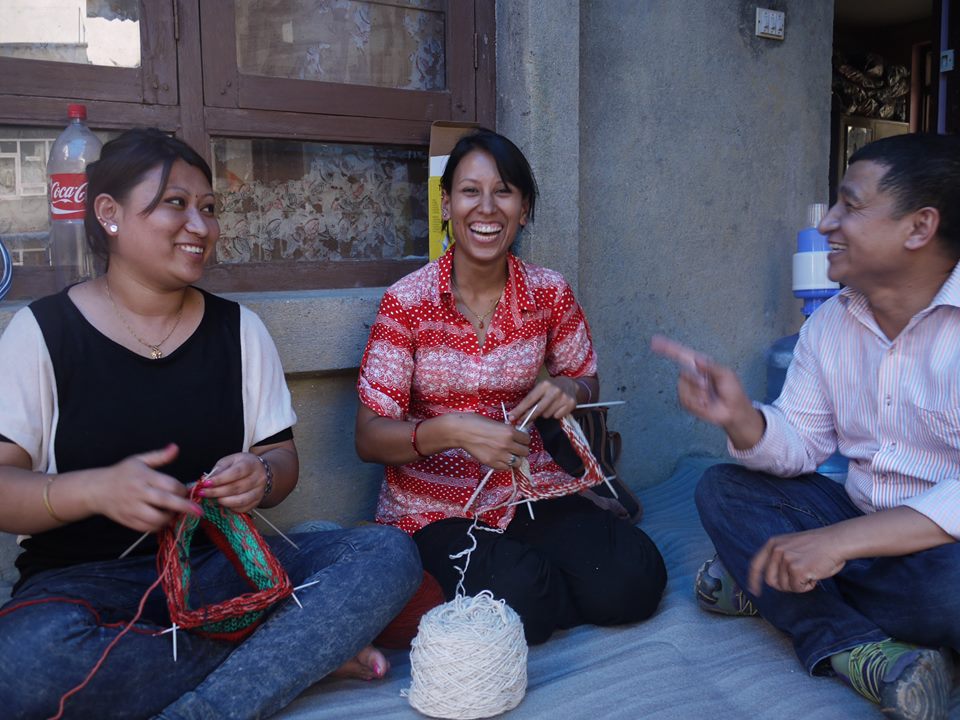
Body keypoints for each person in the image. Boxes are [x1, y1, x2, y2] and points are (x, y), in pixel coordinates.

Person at [0, 128, 421, 719]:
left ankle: (212, 704)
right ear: (109, 213)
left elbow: (281, 461)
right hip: (87, 587)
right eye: (176, 203)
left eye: (209, 208)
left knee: (386, 554)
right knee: (23, 666)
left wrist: (260, 477)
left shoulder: (238, 330)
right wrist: (93, 489)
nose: (200, 225)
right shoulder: (42, 332)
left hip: (222, 572)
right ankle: (296, 649)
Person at [652, 133, 960, 720]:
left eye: (851, 205)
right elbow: (800, 443)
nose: (828, 224)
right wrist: (743, 419)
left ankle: (780, 593)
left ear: (919, 227)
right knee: (723, 489)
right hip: (856, 522)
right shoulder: (831, 325)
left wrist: (837, 545)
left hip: (938, 552)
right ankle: (863, 650)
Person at [355, 128, 666, 645]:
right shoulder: (406, 303)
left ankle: (537, 574)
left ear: (524, 210)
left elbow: (585, 378)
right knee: (527, 599)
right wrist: (454, 430)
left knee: (635, 579)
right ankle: (533, 580)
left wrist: (569, 390)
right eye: (469, 191)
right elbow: (369, 436)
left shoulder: (548, 292)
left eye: (503, 192)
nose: (486, 208)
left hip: (528, 490)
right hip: (433, 509)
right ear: (446, 204)